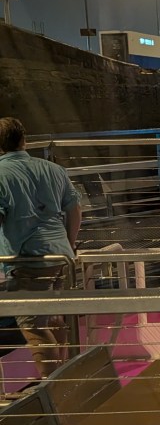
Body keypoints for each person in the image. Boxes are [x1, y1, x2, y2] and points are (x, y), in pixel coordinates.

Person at [0, 117, 82, 377]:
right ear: (24, 139)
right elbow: (75, 208)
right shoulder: (53, 169)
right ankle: (65, 376)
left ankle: (50, 387)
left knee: (32, 325)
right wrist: (68, 244)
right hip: (61, 257)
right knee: (56, 319)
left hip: (27, 260)